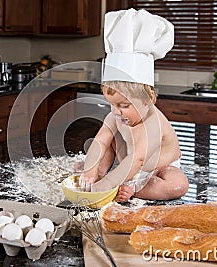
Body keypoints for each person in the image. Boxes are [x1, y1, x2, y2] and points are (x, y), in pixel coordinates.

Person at [77, 9, 189, 202]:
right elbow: (100, 141)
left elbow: (138, 158)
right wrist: (90, 169)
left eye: (124, 105)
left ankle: (136, 189)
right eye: (111, 104)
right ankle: (100, 173)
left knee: (178, 184)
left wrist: (106, 187)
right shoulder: (116, 114)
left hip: (160, 168)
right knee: (109, 141)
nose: (116, 111)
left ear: (148, 98)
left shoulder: (153, 123)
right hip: (129, 164)